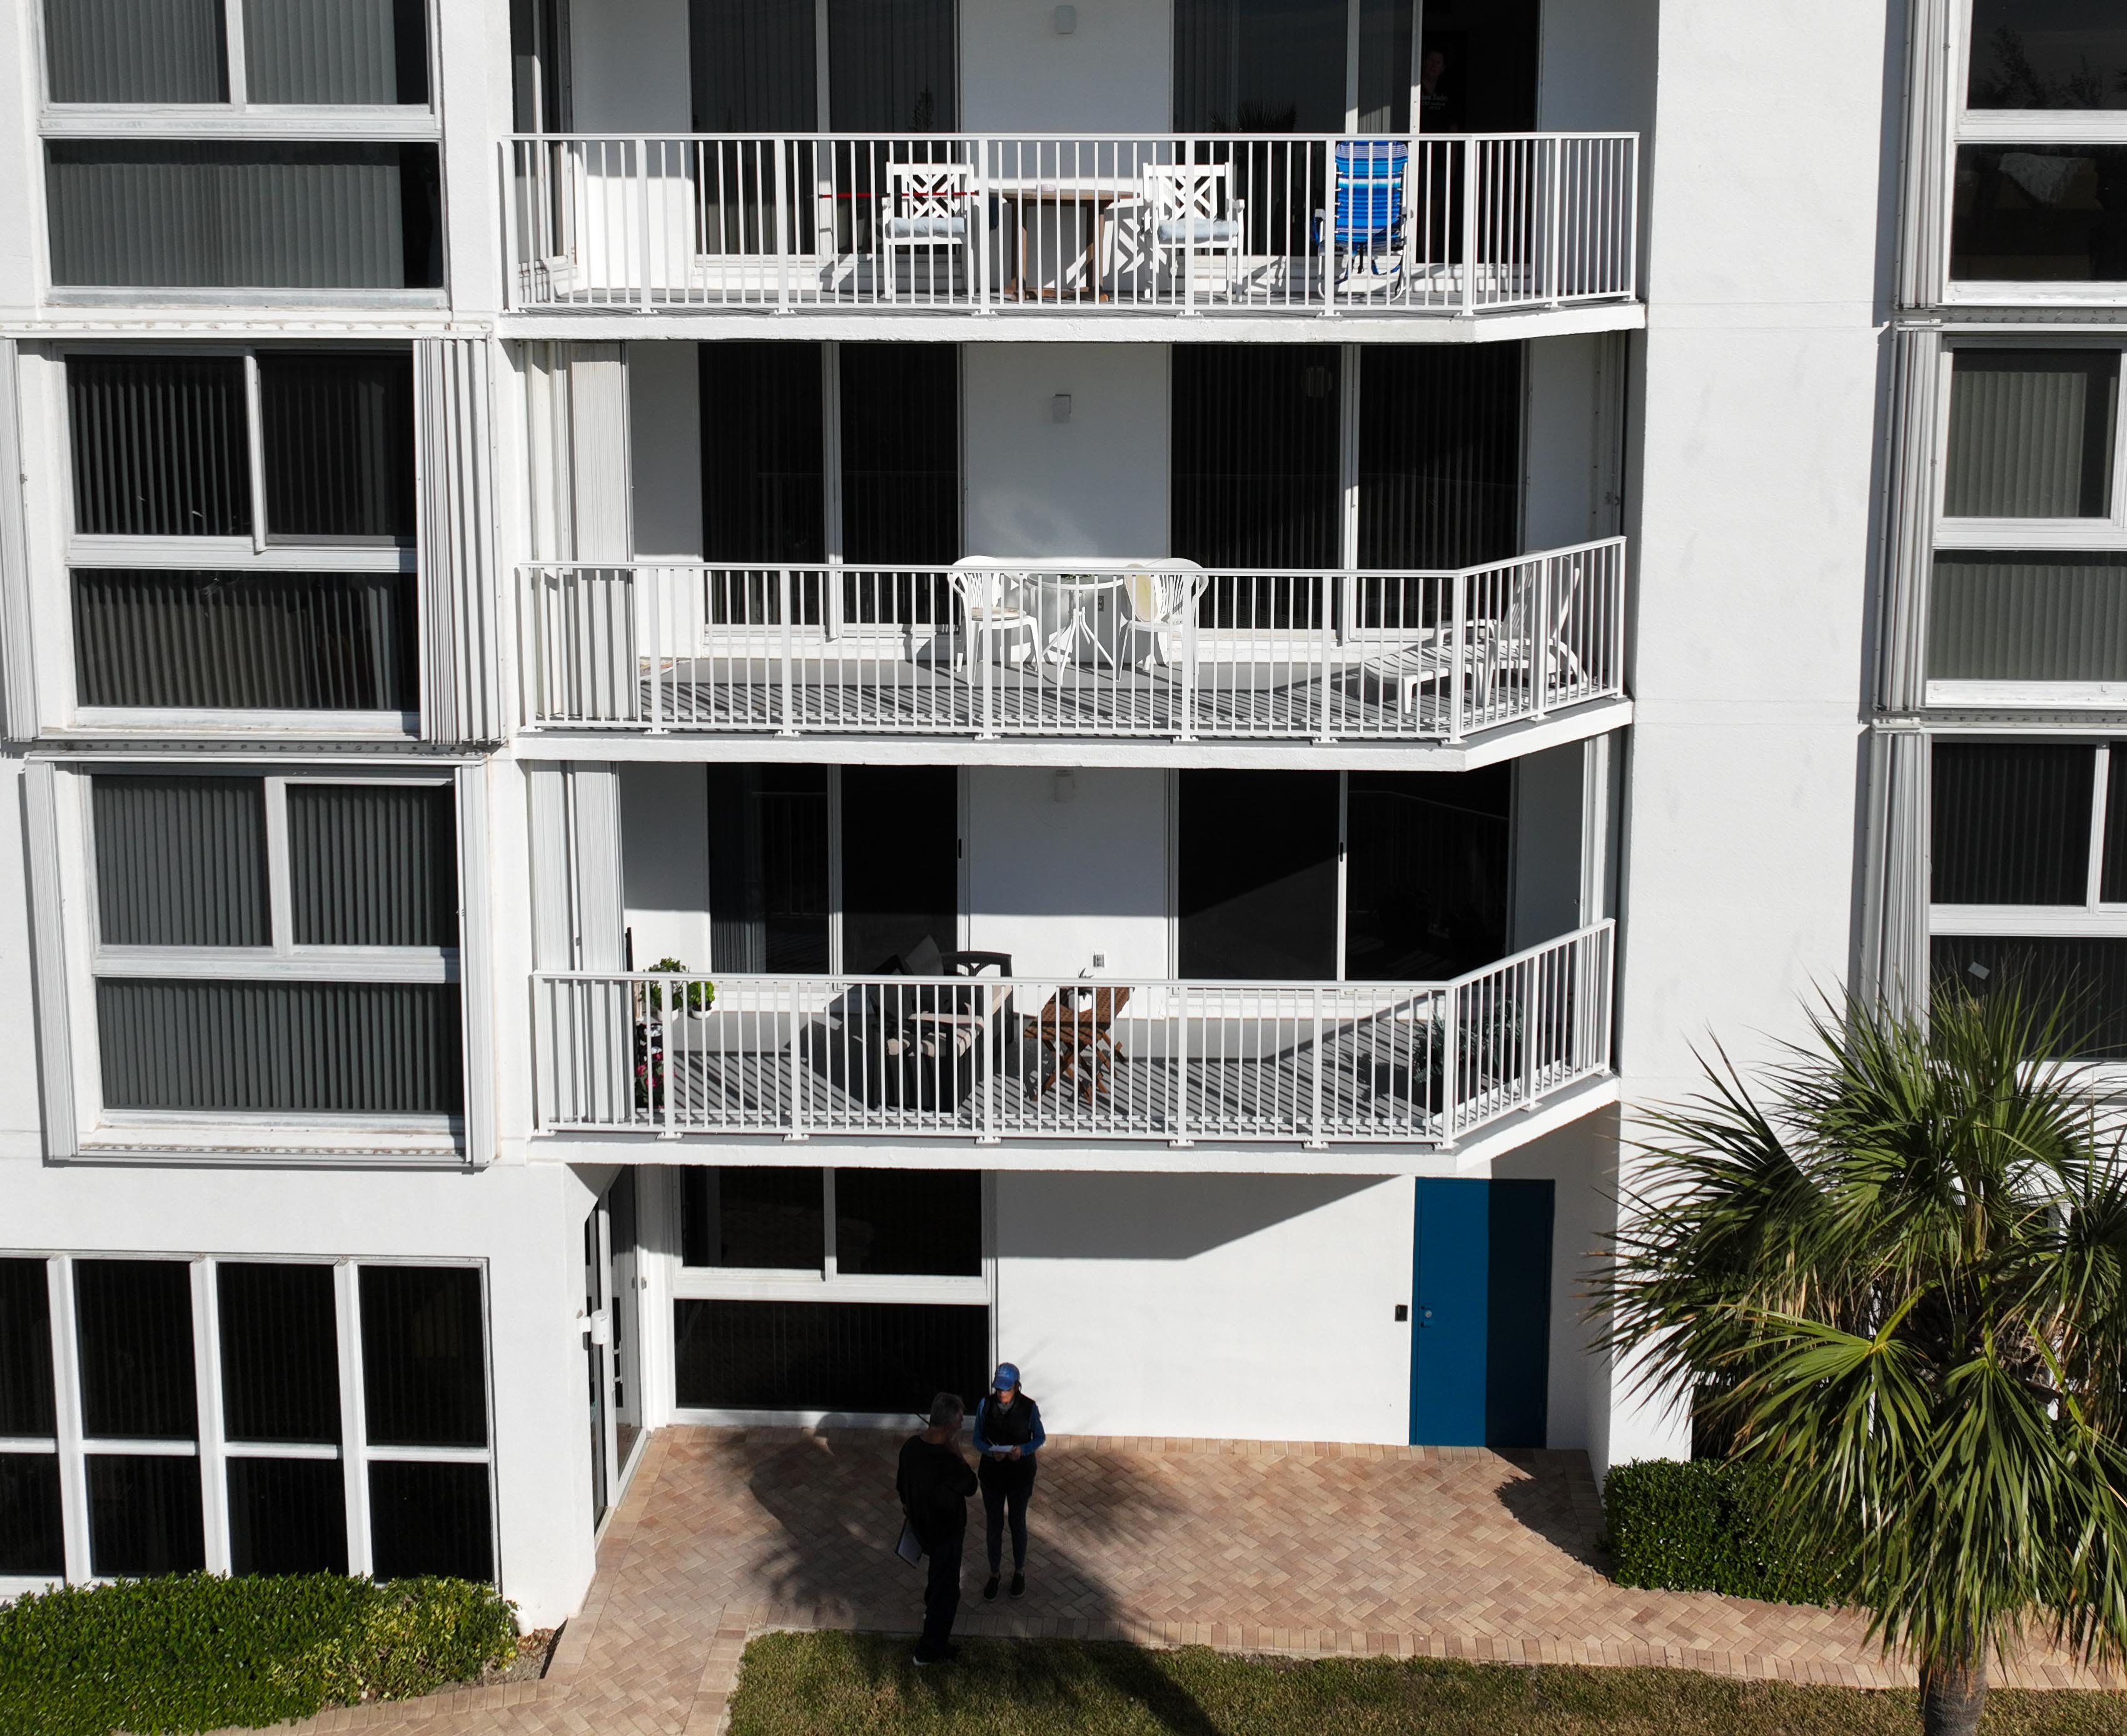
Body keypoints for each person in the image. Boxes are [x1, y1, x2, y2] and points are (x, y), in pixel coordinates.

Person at [896, 1390, 978, 1665]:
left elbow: (901, 1489)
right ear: (948, 1426)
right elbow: (971, 1486)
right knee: (947, 1593)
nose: (961, 1426)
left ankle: (930, 1614)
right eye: (959, 1422)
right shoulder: (947, 1460)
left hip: (923, 1531)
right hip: (947, 1536)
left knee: (937, 1581)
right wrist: (959, 1456)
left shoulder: (910, 1448)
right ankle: (928, 1652)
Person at [971, 1362, 1046, 1600]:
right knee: (994, 1525)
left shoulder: (1029, 1408)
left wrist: (1022, 1450)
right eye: (999, 1389)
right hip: (993, 1475)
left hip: (1020, 1475)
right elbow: (977, 1439)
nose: (1001, 1394)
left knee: (1017, 1522)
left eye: (1006, 1389)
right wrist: (989, 1451)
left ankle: (1019, 1571)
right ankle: (994, 1574)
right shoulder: (985, 1405)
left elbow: (1039, 1437)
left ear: (1016, 1387)